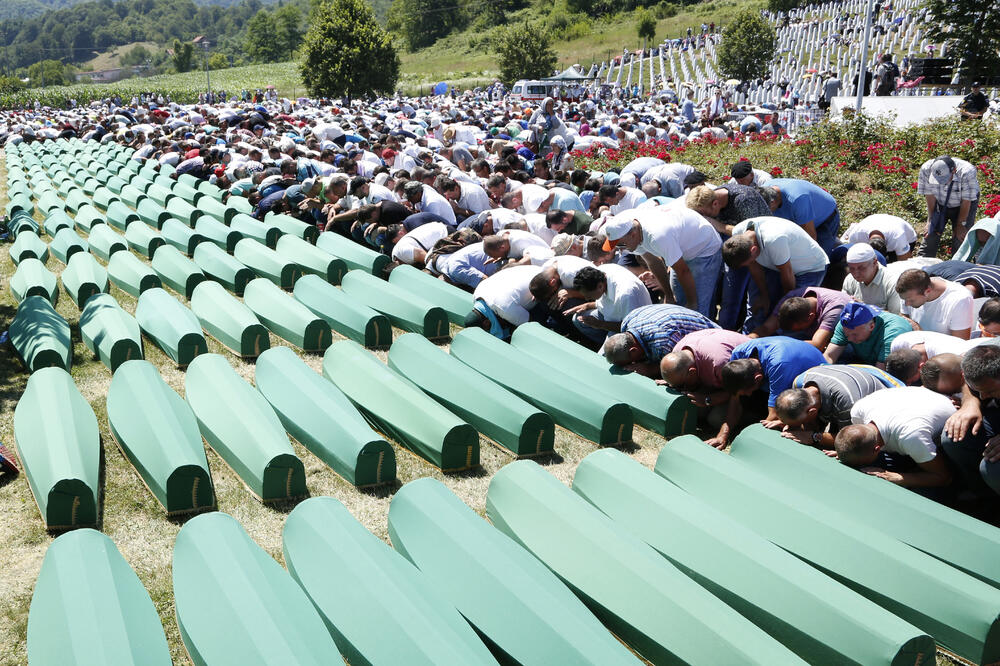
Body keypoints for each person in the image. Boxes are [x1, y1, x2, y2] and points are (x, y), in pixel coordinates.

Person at [599, 209, 722, 317]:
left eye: (620, 244)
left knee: (698, 309)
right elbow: (654, 262)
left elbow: (683, 271)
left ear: (633, 235)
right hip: (680, 247)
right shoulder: (631, 231)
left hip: (704, 248)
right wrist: (668, 295)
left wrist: (692, 303)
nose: (620, 250)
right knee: (678, 302)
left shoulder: (657, 237)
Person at [712, 336, 827, 447]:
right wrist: (723, 435)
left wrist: (749, 442)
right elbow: (735, 401)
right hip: (781, 371)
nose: (747, 395)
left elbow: (773, 417)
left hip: (813, 389)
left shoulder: (779, 365)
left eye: (746, 392)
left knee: (783, 424)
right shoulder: (738, 355)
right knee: (717, 417)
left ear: (758, 378)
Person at [722, 217, 830, 332]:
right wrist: (764, 296)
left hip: (809, 268)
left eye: (747, 263)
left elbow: (787, 278)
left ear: (753, 250)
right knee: (762, 306)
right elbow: (754, 267)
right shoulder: (739, 233)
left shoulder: (774, 240)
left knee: (792, 315)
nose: (748, 265)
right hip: (778, 265)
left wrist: (784, 306)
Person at [834, 386, 954, 490]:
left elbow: (943, 477)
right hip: (922, 401)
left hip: (947, 407)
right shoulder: (858, 410)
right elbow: (853, 444)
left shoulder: (911, 437)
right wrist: (847, 454)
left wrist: (901, 478)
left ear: (876, 449)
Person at [774, 364, 902, 448]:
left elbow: (847, 440)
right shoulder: (799, 382)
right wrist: (787, 423)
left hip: (886, 408)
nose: (790, 428)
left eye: (794, 424)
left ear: (812, 412)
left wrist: (813, 436)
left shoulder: (848, 402)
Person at [941, 344, 1000, 497]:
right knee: (953, 436)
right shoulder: (986, 354)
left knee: (993, 469)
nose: (983, 397)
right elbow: (968, 380)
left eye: (990, 391)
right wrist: (970, 403)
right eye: (979, 390)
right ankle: (984, 497)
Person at [604, 304, 718, 378]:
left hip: (714, 343)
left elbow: (682, 364)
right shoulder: (627, 322)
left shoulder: (664, 343)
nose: (630, 366)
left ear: (633, 350)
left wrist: (650, 369)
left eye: (628, 363)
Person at [660, 329, 751, 411]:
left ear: (692, 372)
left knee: (715, 419)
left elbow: (737, 391)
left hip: (748, 381)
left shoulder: (719, 363)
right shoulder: (677, 350)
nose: (681, 389)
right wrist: (671, 382)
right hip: (720, 377)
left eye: (681, 385)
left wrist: (707, 400)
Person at [566, 265, 652, 344]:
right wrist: (587, 305)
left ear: (600, 286)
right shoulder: (601, 273)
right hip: (612, 318)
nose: (586, 299)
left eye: (588, 295)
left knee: (606, 356)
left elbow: (631, 330)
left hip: (633, 331)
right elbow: (608, 303)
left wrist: (599, 324)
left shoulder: (626, 294)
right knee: (578, 319)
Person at [916, 155, 980, 256]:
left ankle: (956, 266)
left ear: (953, 170)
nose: (940, 183)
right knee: (930, 235)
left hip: (963, 204)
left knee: (960, 239)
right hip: (939, 201)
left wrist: (961, 224)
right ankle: (922, 266)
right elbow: (929, 195)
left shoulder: (967, 172)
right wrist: (930, 219)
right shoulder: (926, 169)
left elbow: (966, 201)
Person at [750, 286, 852, 350]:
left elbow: (817, 344)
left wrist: (777, 346)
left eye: (798, 328)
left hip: (852, 339)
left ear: (810, 317)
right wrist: (747, 340)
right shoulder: (791, 298)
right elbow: (766, 328)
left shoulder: (834, 309)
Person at [762, 179, 842, 256]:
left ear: (773, 203)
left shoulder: (798, 199)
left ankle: (840, 256)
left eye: (766, 211)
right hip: (800, 217)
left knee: (818, 258)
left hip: (825, 219)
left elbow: (811, 237)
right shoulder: (762, 192)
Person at [823, 302, 913, 368]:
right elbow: (829, 356)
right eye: (847, 335)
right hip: (866, 360)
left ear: (871, 326)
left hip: (900, 367)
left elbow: (881, 372)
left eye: (855, 335)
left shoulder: (893, 332)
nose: (850, 339)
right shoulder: (845, 324)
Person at [467, 265, 544, 338]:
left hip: (545, 280)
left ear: (486, 323)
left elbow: (531, 325)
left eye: (487, 329)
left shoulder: (506, 309)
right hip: (532, 270)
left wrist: (512, 330)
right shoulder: (476, 293)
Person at [895, 268, 974, 338]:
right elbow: (903, 317)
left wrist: (921, 334)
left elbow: (961, 344)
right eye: (903, 299)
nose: (906, 304)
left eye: (911, 300)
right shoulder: (909, 292)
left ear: (927, 291)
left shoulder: (960, 300)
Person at [839, 214, 917, 260]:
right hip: (877, 222)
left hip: (908, 238)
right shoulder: (856, 235)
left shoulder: (898, 237)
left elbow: (905, 261)